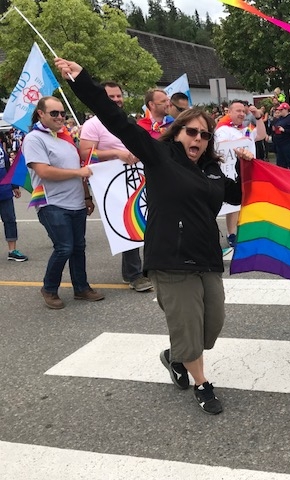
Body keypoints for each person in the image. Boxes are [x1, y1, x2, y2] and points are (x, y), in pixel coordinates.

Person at [57, 57, 248, 414]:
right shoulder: (159, 156)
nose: (199, 139)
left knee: (212, 325)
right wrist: (82, 79)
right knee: (189, 328)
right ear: (177, 134)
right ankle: (202, 383)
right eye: (191, 131)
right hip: (170, 259)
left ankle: (176, 356)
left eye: (205, 135)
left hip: (207, 257)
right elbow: (115, 119)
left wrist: (249, 165)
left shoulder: (211, 171)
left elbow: (238, 196)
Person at [22, 96, 103, 309]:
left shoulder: (65, 138)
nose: (60, 117)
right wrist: (79, 172)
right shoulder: (34, 138)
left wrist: (86, 196)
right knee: (64, 248)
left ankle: (81, 288)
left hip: (76, 202)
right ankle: (49, 289)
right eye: (54, 113)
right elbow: (44, 171)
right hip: (52, 204)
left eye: (62, 113)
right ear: (40, 114)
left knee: (78, 247)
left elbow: (80, 172)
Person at [79, 81, 153, 292]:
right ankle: (133, 275)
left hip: (135, 176)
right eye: (111, 97)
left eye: (118, 96)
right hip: (112, 182)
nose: (116, 100)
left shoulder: (128, 120)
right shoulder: (93, 124)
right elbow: (85, 153)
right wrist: (116, 154)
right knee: (127, 223)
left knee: (149, 221)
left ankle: (150, 268)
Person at [214, 100, 263, 250]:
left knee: (244, 202)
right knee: (231, 204)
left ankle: (241, 231)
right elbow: (222, 148)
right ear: (229, 112)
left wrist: (258, 117)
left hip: (245, 171)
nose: (242, 114)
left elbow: (261, 135)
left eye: (243, 111)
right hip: (229, 172)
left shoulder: (245, 129)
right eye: (238, 111)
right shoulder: (223, 130)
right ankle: (231, 234)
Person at [0, 144, 27, 261]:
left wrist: (14, 185)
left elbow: (7, 166)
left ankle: (12, 250)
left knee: (10, 219)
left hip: (4, 189)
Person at [271, 102, 290, 172]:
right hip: (280, 143)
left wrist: (284, 130)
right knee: (281, 163)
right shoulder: (280, 118)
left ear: (286, 110)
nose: (280, 111)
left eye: (281, 110)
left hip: (288, 144)